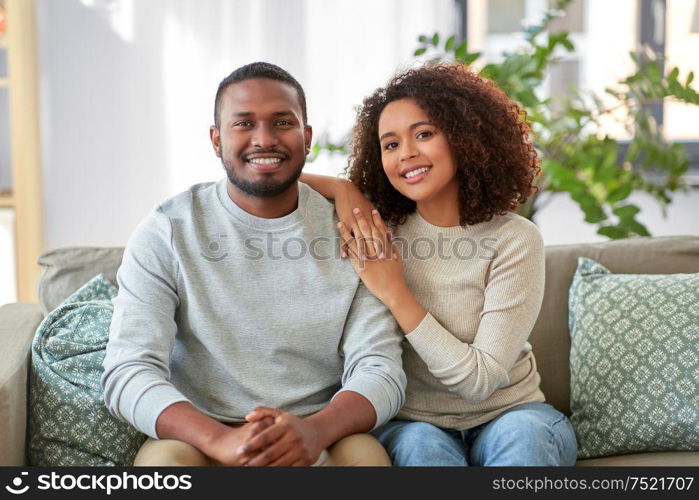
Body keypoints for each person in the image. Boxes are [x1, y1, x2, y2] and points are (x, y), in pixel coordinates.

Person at [101, 62, 406, 467]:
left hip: (320, 434)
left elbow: (380, 368)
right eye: (243, 124)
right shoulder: (167, 230)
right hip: (201, 439)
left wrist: (315, 431)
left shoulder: (353, 230)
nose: (264, 139)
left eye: (282, 122)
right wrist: (221, 440)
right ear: (216, 139)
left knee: (366, 459)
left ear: (306, 136)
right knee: (163, 467)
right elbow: (128, 371)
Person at [301, 63, 578, 466]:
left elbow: (479, 382)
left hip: (513, 415)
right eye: (390, 144)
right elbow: (272, 179)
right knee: (420, 447)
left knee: (525, 437)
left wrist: (395, 291)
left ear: (466, 137)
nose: (407, 154)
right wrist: (342, 187)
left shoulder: (515, 239)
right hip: (413, 424)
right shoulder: (379, 230)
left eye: (424, 134)